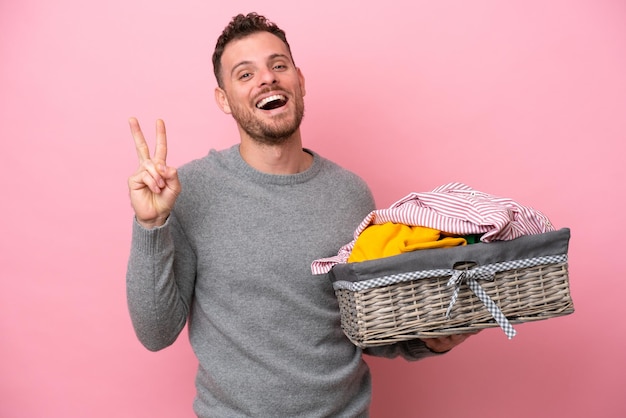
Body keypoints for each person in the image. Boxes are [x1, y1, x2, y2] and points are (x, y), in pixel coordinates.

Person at [126, 12, 475, 417]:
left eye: (279, 66)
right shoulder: (190, 191)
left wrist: (427, 340)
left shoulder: (350, 193)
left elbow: (360, 323)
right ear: (223, 99)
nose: (267, 79)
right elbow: (155, 332)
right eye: (245, 74)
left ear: (299, 80)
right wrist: (151, 226)